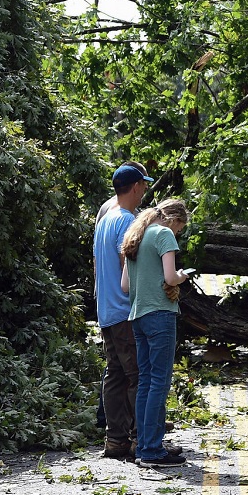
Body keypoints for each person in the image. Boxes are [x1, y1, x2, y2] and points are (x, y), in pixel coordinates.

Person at [121, 199, 192, 468]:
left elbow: (125, 286)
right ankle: (152, 449)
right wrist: (183, 275)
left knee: (146, 382)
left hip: (137, 315)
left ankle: (145, 446)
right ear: (174, 221)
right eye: (179, 230)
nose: (177, 235)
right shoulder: (163, 234)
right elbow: (170, 277)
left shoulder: (136, 235)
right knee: (159, 383)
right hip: (160, 314)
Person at [94, 164, 153, 459]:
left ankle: (115, 441)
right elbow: (126, 267)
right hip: (123, 310)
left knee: (115, 375)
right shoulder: (128, 220)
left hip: (105, 309)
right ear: (135, 186)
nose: (145, 191)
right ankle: (141, 439)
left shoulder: (106, 218)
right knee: (138, 376)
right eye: (143, 185)